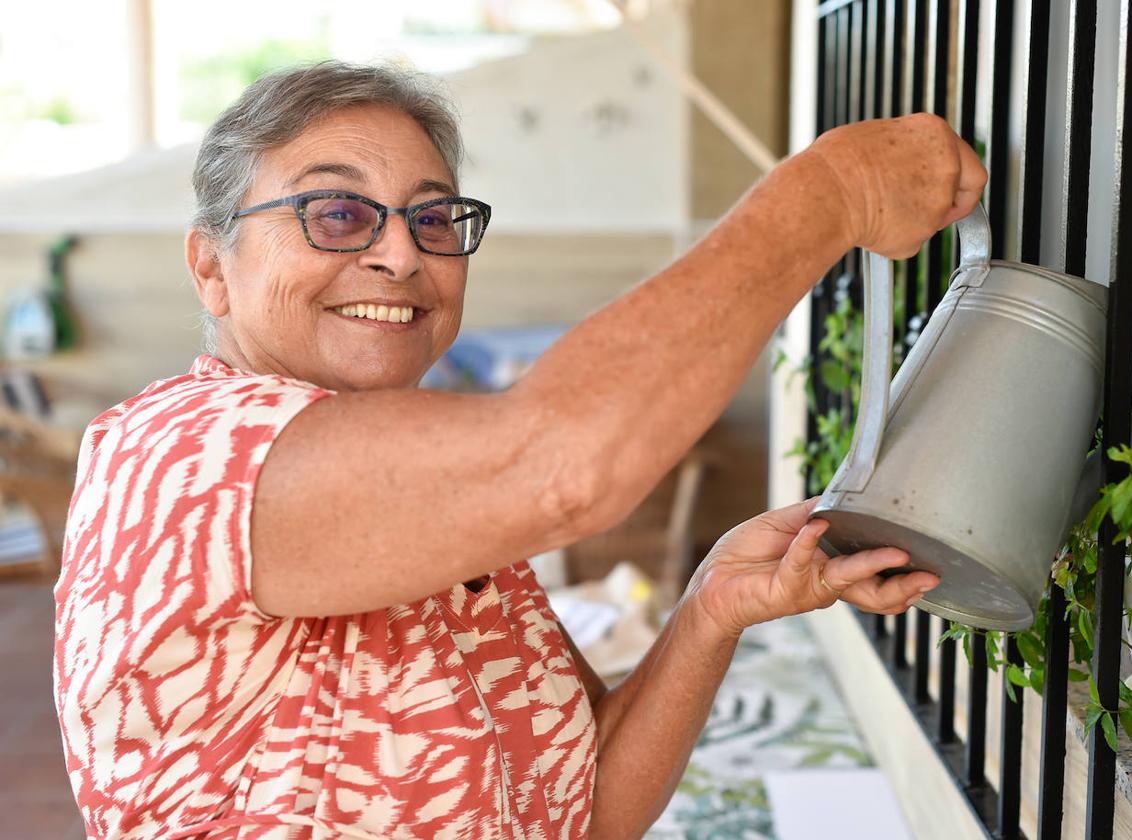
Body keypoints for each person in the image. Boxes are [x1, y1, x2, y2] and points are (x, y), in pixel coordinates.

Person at [53, 61, 985, 839]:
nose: (400, 256)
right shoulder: (184, 458)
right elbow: (563, 468)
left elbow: (587, 809)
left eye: (432, 218)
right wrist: (831, 192)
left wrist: (709, 612)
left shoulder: (437, 506)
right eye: (336, 214)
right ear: (212, 266)